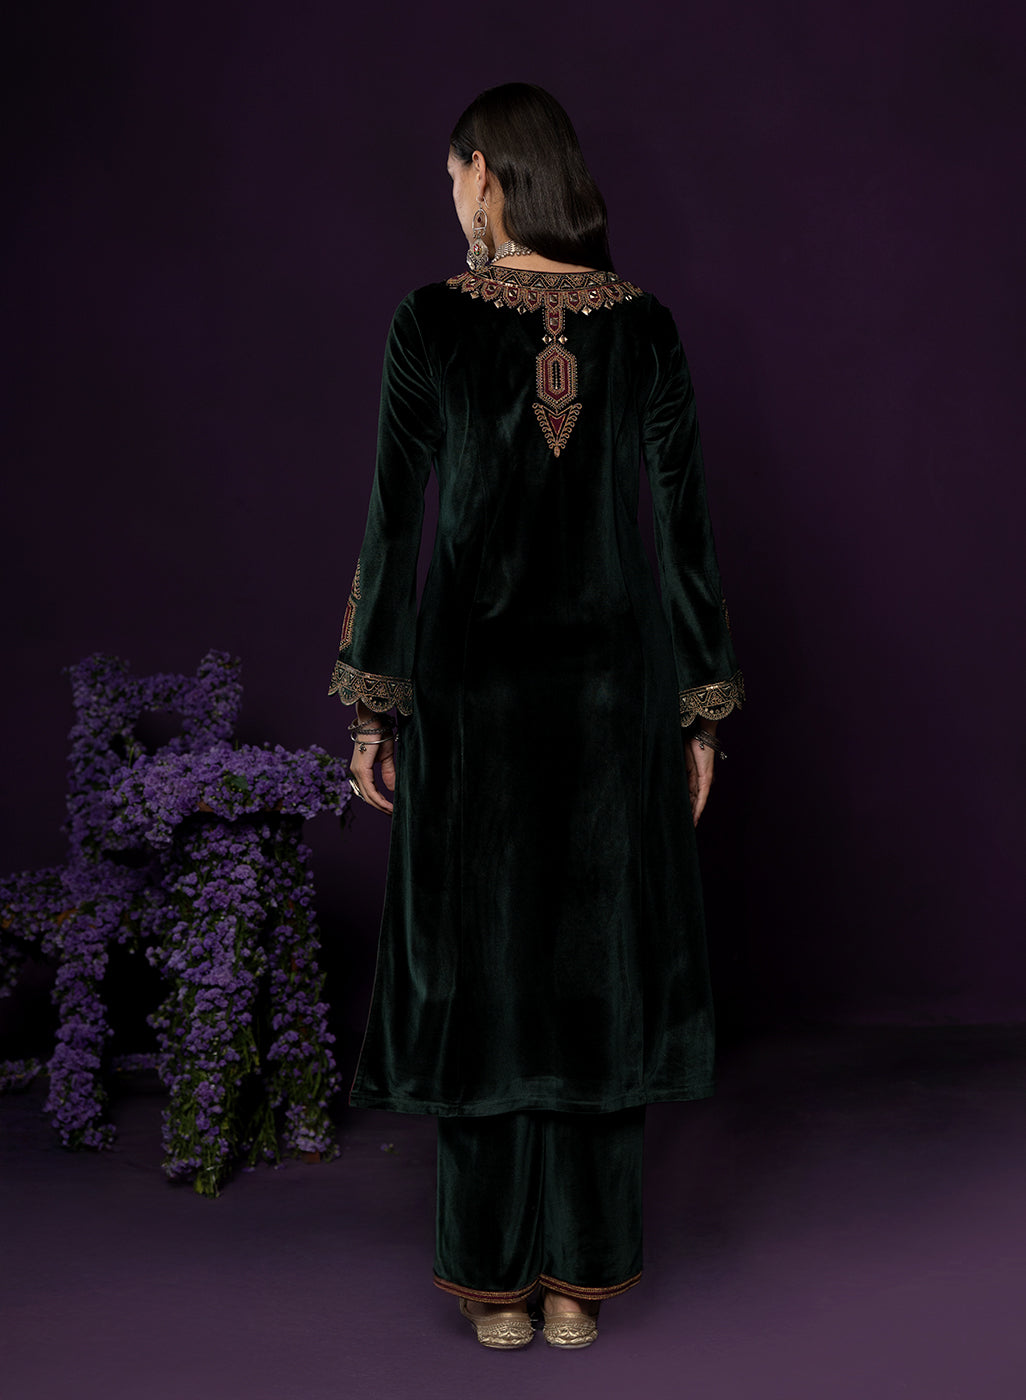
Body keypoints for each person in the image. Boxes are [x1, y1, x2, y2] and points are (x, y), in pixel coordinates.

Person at [330, 83, 743, 1351]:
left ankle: (494, 1285)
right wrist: (700, 711)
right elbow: (683, 536)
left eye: (454, 175)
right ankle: (580, 1284)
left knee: (485, 976)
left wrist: (373, 703)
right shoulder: (644, 324)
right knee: (593, 973)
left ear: (487, 175)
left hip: (474, 695)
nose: (451, 196)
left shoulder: (429, 321)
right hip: (617, 692)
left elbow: (395, 524)